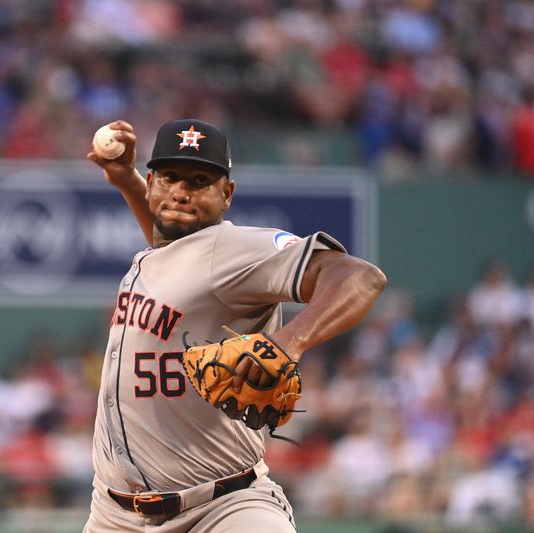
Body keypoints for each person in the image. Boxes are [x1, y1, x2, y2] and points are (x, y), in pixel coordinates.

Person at [83, 118, 387, 532]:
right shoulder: (170, 250)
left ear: (227, 194)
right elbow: (176, 253)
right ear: (152, 180)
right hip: (116, 516)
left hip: (224, 510)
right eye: (169, 177)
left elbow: (359, 278)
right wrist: (126, 181)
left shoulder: (237, 249)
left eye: (199, 181)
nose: (180, 192)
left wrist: (287, 343)